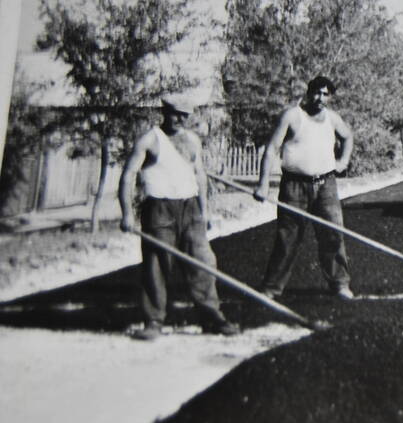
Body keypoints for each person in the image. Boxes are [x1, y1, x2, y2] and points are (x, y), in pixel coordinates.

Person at [118, 95, 239, 341]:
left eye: (185, 115)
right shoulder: (150, 139)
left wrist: (204, 211)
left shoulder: (192, 139)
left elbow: (200, 176)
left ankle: (212, 316)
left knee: (203, 262)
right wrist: (127, 214)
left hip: (190, 207)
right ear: (165, 111)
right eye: (175, 114)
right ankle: (153, 320)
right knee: (157, 266)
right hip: (159, 209)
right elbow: (128, 175)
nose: (180, 120)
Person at [254, 76, 355, 300]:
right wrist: (262, 184)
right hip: (294, 186)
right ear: (309, 93)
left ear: (330, 97)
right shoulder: (292, 116)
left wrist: (343, 162)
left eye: (325, 94)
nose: (320, 98)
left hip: (326, 185)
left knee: (333, 235)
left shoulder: (333, 119)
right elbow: (271, 149)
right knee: (287, 237)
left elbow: (348, 137)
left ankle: (339, 284)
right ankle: (271, 288)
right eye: (317, 93)